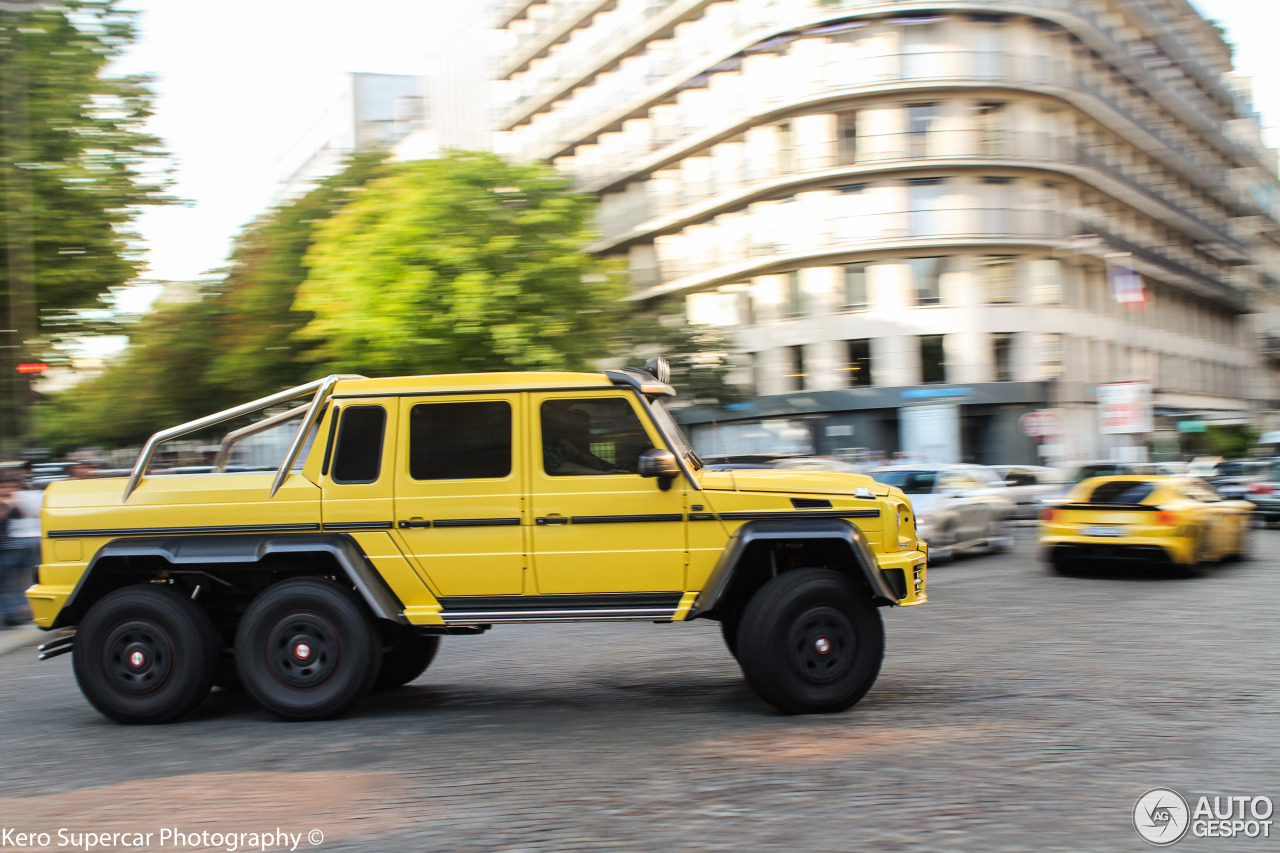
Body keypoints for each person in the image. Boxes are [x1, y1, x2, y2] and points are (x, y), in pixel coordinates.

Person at [0, 472, 36, 628]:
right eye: (5, 486)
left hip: (10, 546)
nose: (9, 489)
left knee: (14, 582)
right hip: (3, 549)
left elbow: (23, 515)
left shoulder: (10, 501)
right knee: (5, 584)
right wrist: (7, 506)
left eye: (12, 486)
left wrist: (17, 504)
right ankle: (9, 614)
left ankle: (14, 611)